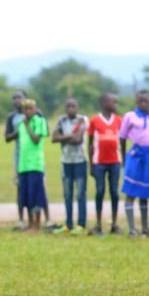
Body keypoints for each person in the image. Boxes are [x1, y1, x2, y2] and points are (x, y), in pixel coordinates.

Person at [119, 90, 149, 237]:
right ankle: (131, 228)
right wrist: (124, 158)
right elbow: (122, 137)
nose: (144, 103)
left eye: (147, 101)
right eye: (141, 100)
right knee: (131, 191)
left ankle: (145, 227)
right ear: (137, 102)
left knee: (144, 192)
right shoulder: (130, 117)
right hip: (136, 157)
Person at [52, 98, 89, 235]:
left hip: (80, 161)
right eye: (68, 106)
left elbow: (78, 140)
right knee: (67, 194)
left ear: (78, 107)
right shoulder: (61, 120)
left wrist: (63, 137)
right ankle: (68, 224)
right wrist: (69, 136)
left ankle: (81, 224)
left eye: (73, 106)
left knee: (80, 193)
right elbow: (54, 138)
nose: (70, 109)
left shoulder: (83, 120)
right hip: (65, 161)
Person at [86, 93, 122, 235]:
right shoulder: (95, 121)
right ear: (103, 103)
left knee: (114, 192)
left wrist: (123, 159)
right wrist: (91, 165)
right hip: (99, 162)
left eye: (116, 102)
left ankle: (114, 224)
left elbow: (123, 141)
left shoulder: (119, 120)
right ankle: (98, 224)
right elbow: (89, 144)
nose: (115, 104)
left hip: (115, 162)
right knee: (100, 191)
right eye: (112, 102)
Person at [17, 99, 48, 231]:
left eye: (31, 108)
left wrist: (28, 126)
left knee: (36, 195)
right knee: (26, 196)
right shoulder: (20, 124)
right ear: (23, 110)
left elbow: (36, 140)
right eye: (26, 109)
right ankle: (30, 223)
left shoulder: (40, 122)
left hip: (35, 164)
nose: (28, 111)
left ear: (35, 109)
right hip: (23, 165)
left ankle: (37, 224)